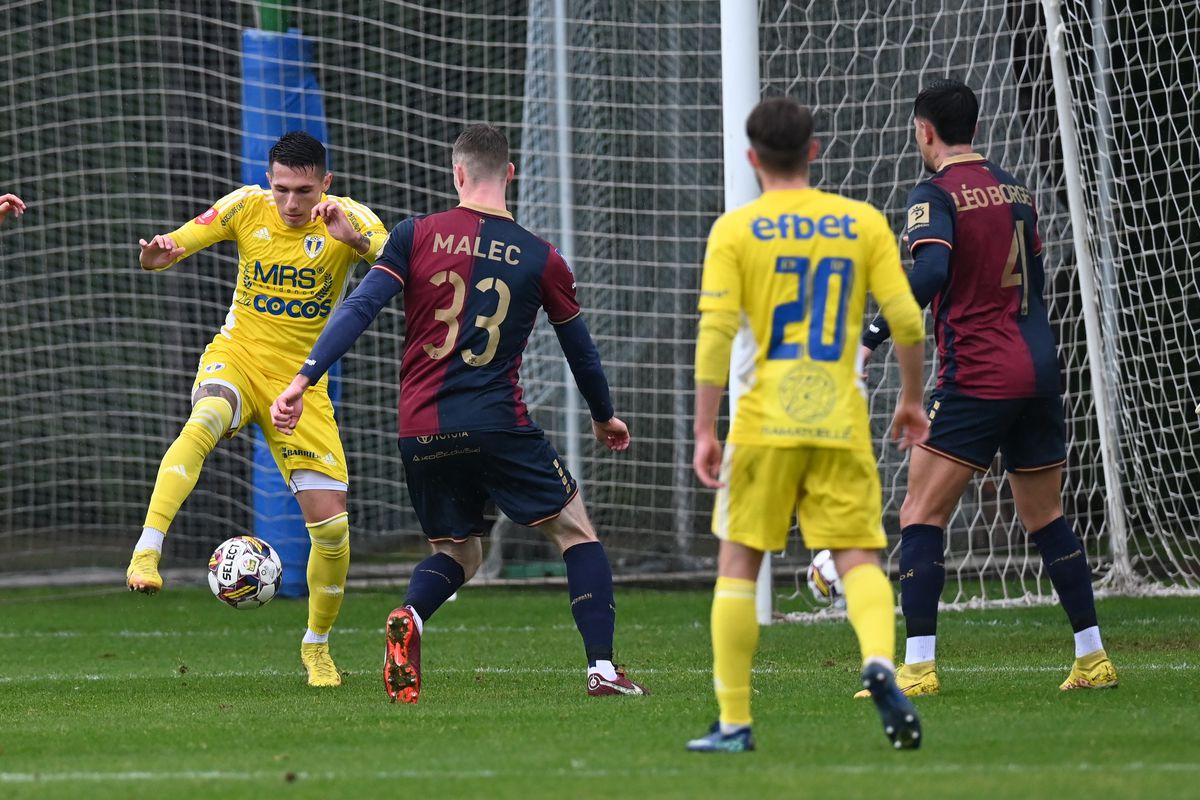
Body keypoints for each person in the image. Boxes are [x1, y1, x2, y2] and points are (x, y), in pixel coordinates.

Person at [271, 124, 648, 704]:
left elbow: (361, 307)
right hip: (498, 422)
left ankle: (411, 616)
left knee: (457, 552)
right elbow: (581, 349)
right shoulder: (542, 258)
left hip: (420, 429)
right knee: (576, 533)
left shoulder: (414, 234)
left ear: (458, 174)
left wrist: (302, 380)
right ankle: (602, 668)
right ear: (511, 176)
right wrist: (604, 416)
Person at [859, 79, 1118, 696]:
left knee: (920, 513)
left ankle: (918, 669)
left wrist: (870, 336)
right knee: (1046, 516)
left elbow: (932, 270)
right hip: (1039, 368)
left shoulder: (935, 193)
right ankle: (1093, 657)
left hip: (978, 373)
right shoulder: (1019, 192)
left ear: (925, 130)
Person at [687, 97, 929, 753]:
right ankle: (879, 660)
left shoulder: (735, 232)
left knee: (740, 563)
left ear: (752, 158)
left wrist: (706, 430)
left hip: (764, 417)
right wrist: (910, 398)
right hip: (839, 416)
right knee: (859, 556)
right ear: (813, 152)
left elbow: (714, 338)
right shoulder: (859, 223)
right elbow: (906, 320)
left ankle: (735, 723)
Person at [124, 132, 388, 688]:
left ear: (326, 183)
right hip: (238, 356)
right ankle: (147, 551)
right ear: (269, 181)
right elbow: (171, 246)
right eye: (281, 189)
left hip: (302, 382)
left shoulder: (352, 219)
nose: (291, 204)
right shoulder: (246, 206)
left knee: (334, 529)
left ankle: (316, 647)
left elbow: (402, 269)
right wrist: (155, 257)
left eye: (304, 191)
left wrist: (357, 244)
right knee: (205, 419)